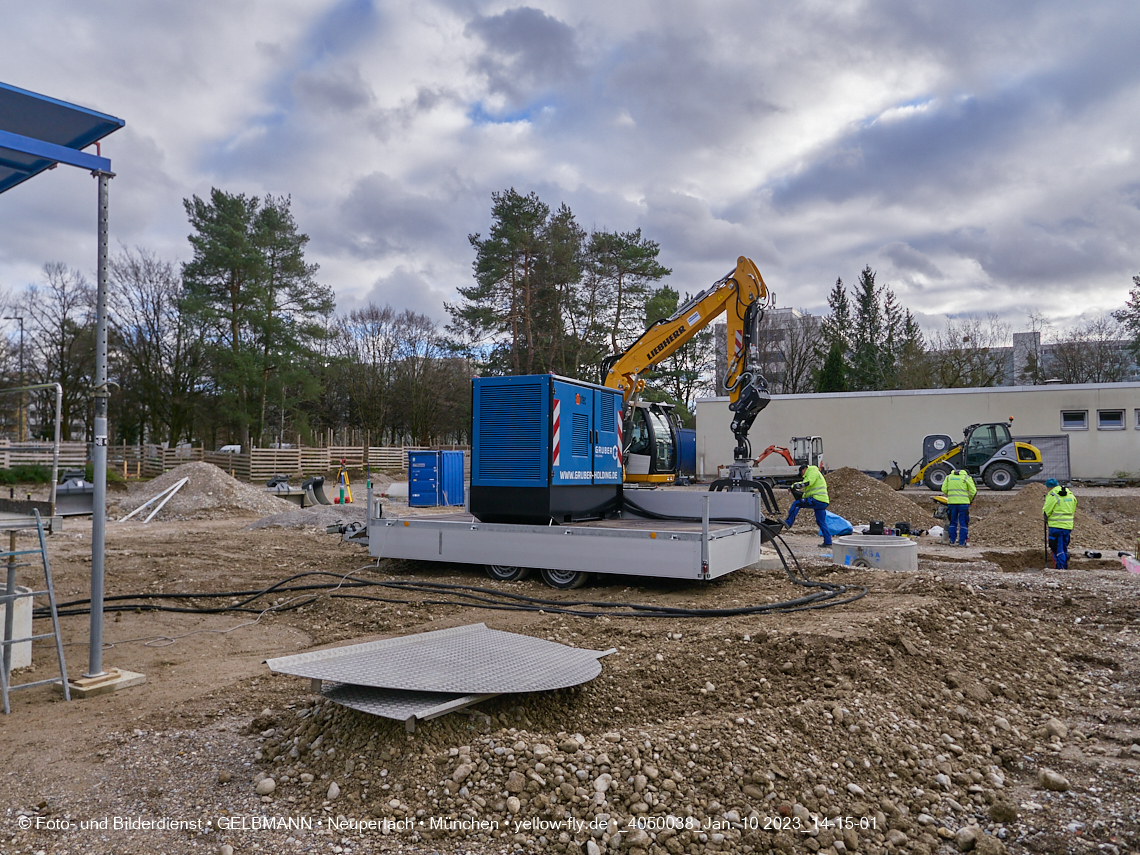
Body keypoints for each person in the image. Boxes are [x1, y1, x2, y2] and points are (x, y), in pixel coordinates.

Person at [784, 464, 831, 547]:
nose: (802, 475)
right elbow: (807, 494)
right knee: (821, 521)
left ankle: (788, 523)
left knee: (796, 504)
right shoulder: (816, 473)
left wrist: (795, 485)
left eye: (801, 473)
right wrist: (798, 494)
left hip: (817, 499)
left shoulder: (812, 471)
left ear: (804, 469)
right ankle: (828, 542)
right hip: (823, 501)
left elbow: (808, 483)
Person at [1043, 481, 1076, 569]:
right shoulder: (1070, 494)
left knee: (1056, 548)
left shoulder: (1053, 495)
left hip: (1056, 527)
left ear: (1049, 487)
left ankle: (1061, 568)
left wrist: (1046, 517)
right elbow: (1073, 508)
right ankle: (1064, 566)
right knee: (1064, 547)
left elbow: (1046, 511)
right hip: (1068, 526)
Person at [941, 468, 977, 546]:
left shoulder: (948, 477)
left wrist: (951, 495)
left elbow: (944, 489)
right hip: (963, 504)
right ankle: (962, 542)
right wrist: (969, 500)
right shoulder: (966, 477)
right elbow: (973, 491)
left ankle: (952, 541)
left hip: (952, 503)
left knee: (952, 522)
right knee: (963, 523)